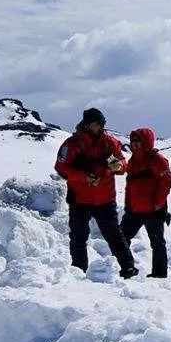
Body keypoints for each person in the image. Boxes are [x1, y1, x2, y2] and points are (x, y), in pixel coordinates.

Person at [55, 107, 138, 278]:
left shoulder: (110, 142)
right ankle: (79, 272)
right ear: (87, 124)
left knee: (114, 235)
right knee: (78, 238)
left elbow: (123, 162)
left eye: (102, 122)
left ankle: (128, 268)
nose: (101, 126)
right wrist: (83, 177)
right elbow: (61, 168)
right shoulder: (71, 144)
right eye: (97, 123)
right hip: (79, 199)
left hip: (104, 198)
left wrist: (119, 166)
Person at [120, 127, 171, 278]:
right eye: (133, 141)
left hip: (153, 210)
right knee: (121, 238)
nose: (135, 144)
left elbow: (166, 183)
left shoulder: (158, 160)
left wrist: (158, 204)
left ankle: (159, 274)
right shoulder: (132, 161)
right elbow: (129, 186)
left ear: (146, 142)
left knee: (157, 243)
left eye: (138, 141)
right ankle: (126, 268)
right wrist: (128, 205)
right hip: (134, 210)